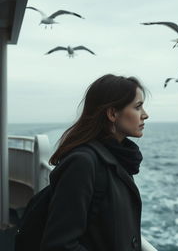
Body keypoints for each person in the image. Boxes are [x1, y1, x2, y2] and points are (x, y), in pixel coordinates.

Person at [41, 74, 149, 251]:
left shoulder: (117, 158)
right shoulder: (82, 163)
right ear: (113, 113)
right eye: (138, 107)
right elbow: (59, 245)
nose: (145, 115)